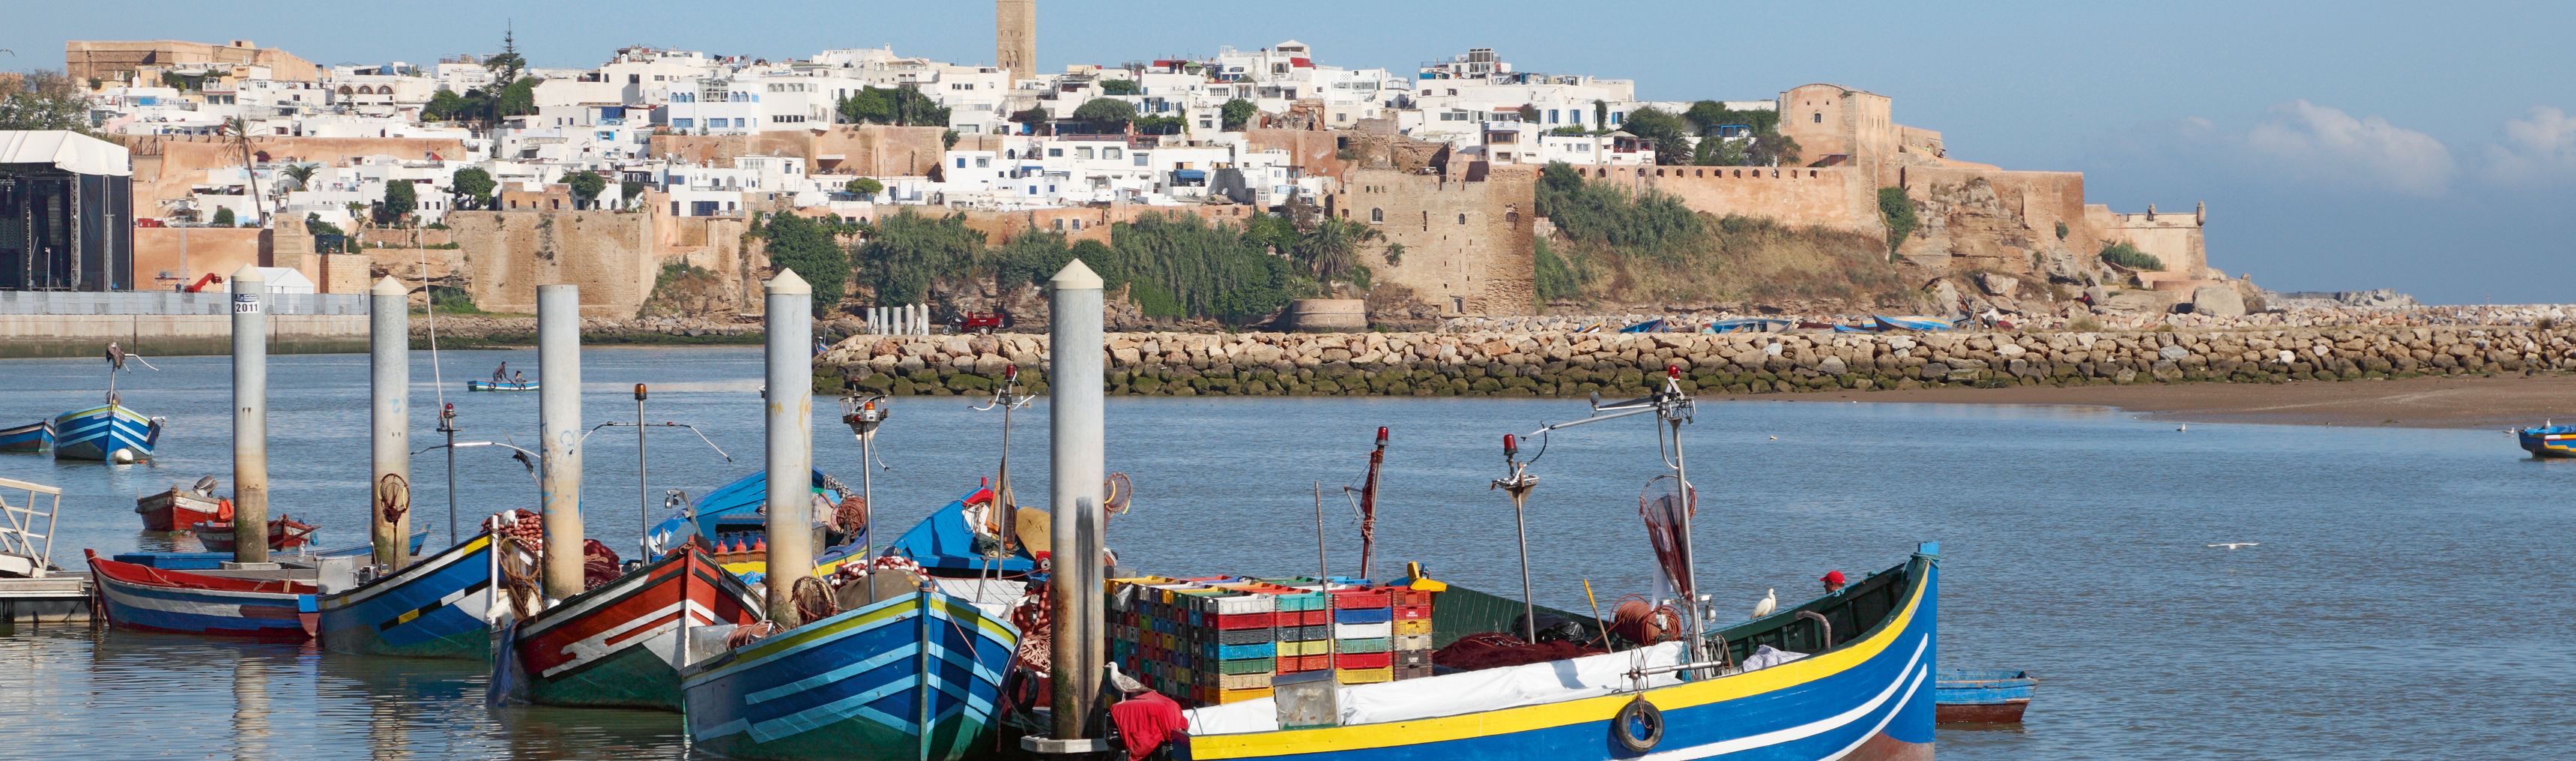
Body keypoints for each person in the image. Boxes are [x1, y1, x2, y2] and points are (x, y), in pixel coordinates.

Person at [1107, 663, 1188, 761]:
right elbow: (1170, 734)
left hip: (1126, 717)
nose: (1107, 666)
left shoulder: (1118, 678)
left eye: (1109, 665)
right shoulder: (1171, 708)